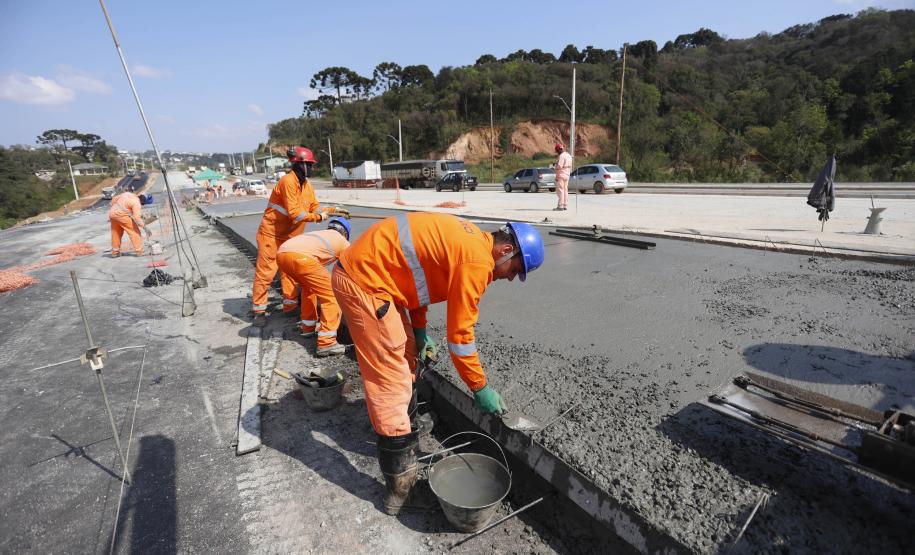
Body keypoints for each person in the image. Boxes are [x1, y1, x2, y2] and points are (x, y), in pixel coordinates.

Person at [331, 212, 545, 514]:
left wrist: (419, 333)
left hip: (378, 278)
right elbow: (460, 338)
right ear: (506, 250)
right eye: (515, 270)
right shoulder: (477, 262)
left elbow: (417, 280)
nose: (510, 277)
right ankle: (401, 483)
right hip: (364, 282)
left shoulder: (471, 239)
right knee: (390, 380)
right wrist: (479, 387)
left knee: (406, 354)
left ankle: (409, 429)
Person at [250, 146, 348, 327]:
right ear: (299, 164)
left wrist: (332, 210)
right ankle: (259, 310)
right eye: (308, 164)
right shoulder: (288, 181)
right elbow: (296, 213)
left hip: (291, 235)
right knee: (266, 272)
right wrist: (319, 217)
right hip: (271, 233)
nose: (311, 168)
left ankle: (290, 306)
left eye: (311, 165)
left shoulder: (307, 185)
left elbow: (313, 208)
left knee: (290, 273)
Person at [276, 218, 352, 357]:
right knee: (332, 295)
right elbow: (352, 267)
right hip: (301, 258)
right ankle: (327, 343)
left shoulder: (320, 235)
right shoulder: (343, 242)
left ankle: (308, 327)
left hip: (282, 255)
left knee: (308, 289)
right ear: (345, 234)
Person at [108, 190, 149, 257]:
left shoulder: (127, 194)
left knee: (116, 233)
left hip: (112, 214)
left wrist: (115, 209)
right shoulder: (136, 203)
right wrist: (145, 227)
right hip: (121, 215)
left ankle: (115, 252)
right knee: (134, 232)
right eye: (143, 204)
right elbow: (137, 218)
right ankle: (139, 251)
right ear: (143, 201)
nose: (142, 205)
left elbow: (114, 199)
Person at [553, 142, 573, 211]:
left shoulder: (561, 156)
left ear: (559, 149)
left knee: (560, 191)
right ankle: (565, 205)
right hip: (567, 175)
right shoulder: (569, 155)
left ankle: (560, 206)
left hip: (561, 175)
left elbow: (559, 166)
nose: (557, 152)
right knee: (565, 190)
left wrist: (554, 166)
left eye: (557, 151)